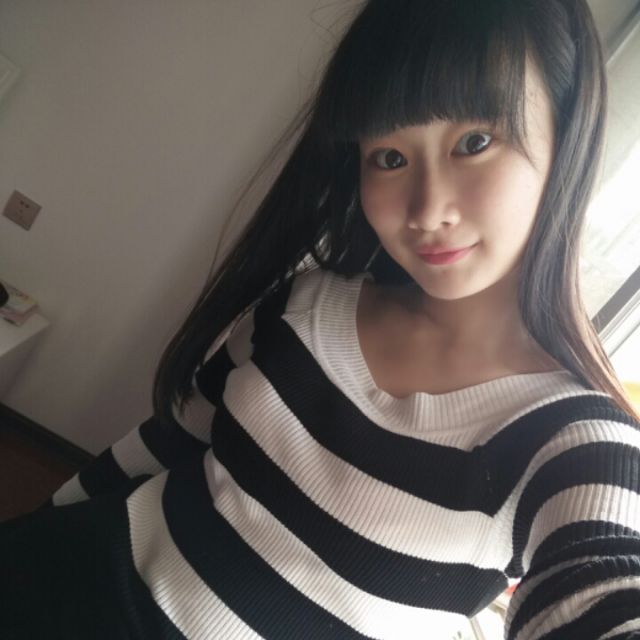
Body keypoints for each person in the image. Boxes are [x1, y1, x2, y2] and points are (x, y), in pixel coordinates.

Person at [2, 0, 639, 638]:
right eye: (389, 157)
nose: (426, 209)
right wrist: (43, 520)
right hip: (64, 570)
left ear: (566, 137)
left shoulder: (576, 445)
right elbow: (167, 441)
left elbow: (603, 588)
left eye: (474, 143)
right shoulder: (306, 304)